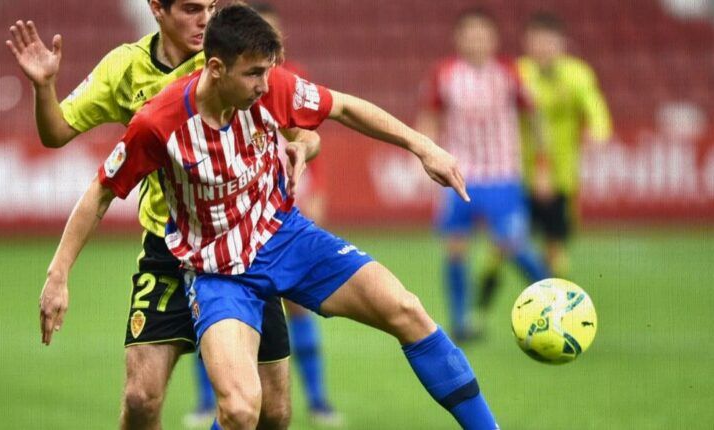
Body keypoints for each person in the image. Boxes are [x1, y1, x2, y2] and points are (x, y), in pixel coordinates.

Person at [38, 4, 498, 430]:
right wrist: (58, 275)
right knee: (240, 411)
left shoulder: (271, 86)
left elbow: (343, 106)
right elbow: (101, 189)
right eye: (254, 74)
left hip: (284, 237)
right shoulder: (158, 123)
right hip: (218, 271)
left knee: (407, 310)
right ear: (215, 70)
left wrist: (424, 147)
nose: (265, 84)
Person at [6, 1, 310, 428]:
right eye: (190, 8)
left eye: (209, 6)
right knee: (140, 399)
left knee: (273, 414)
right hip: (169, 251)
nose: (204, 19)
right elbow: (57, 133)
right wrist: (44, 87)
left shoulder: (233, 61)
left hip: (241, 249)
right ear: (156, 9)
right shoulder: (126, 69)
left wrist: (301, 148)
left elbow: (303, 129)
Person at [185, 2, 342, 427]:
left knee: (298, 313)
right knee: (221, 327)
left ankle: (320, 399)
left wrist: (316, 190)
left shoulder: (280, 86)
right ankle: (207, 402)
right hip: (228, 229)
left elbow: (307, 138)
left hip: (279, 215)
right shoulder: (223, 91)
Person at [416, 8, 551, 341]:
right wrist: (424, 155)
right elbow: (429, 118)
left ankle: (555, 303)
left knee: (514, 245)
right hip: (458, 174)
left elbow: (535, 119)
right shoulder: (444, 73)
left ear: (493, 39)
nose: (476, 40)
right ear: (458, 38)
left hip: (502, 175)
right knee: (456, 248)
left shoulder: (510, 73)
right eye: (469, 34)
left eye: (482, 34)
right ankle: (460, 322)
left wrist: (544, 166)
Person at [477, 12, 613, 313]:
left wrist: (598, 132)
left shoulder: (577, 75)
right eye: (538, 41)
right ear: (528, 43)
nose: (544, 48)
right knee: (502, 244)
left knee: (555, 247)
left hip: (560, 178)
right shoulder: (517, 74)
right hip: (515, 175)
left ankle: (562, 309)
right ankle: (478, 312)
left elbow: (596, 110)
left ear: (561, 44)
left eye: (550, 41)